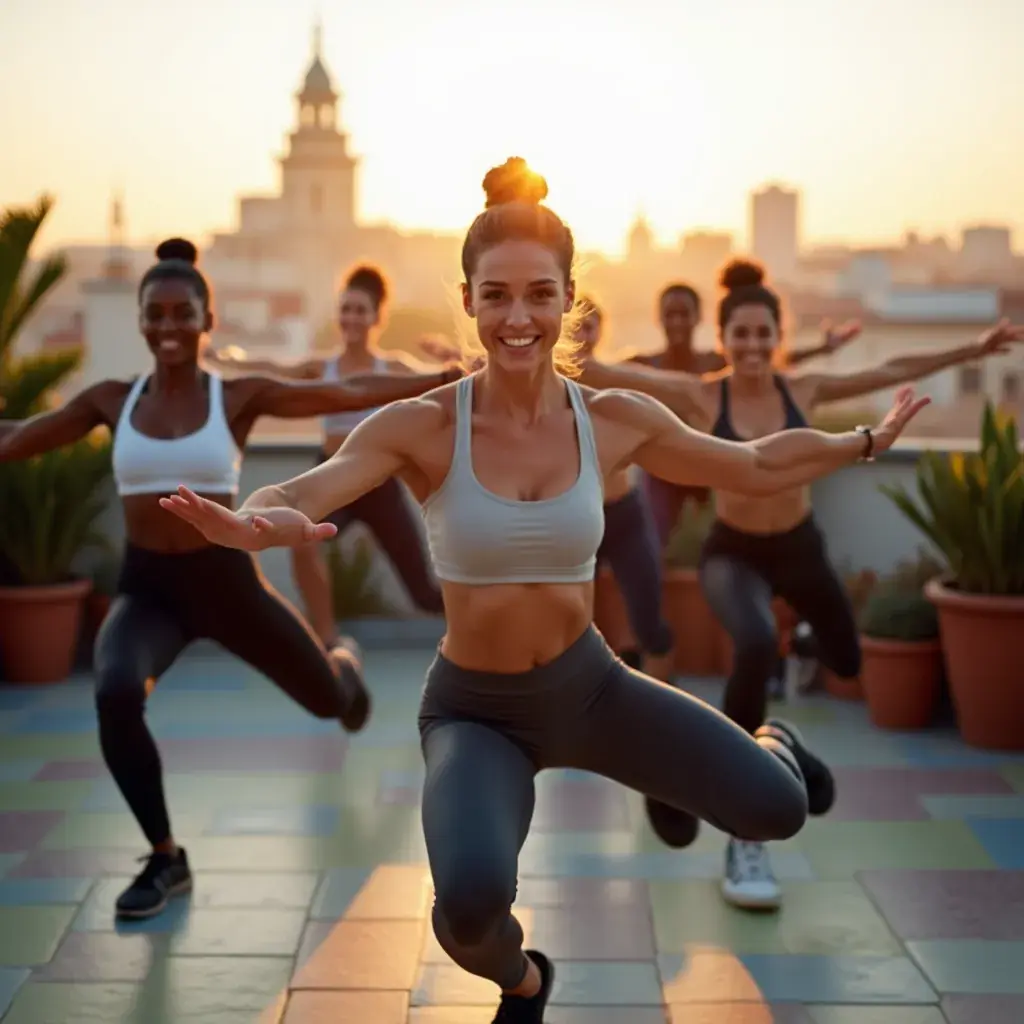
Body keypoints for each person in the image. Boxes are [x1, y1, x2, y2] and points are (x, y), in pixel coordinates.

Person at [161, 158, 928, 1024]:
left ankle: (776, 740)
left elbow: (751, 464)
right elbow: (305, 488)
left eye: (538, 295)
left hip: (593, 688)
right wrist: (256, 523)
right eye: (496, 296)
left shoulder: (614, 418)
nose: (517, 318)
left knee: (778, 810)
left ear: (569, 301)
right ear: (468, 302)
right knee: (467, 911)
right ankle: (526, 984)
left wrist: (864, 440)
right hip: (475, 712)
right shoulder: (422, 425)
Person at [0, 238, 461, 921]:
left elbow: (344, 390)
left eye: (183, 314)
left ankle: (344, 667)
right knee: (117, 688)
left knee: (331, 702)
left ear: (207, 320)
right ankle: (164, 856)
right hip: (148, 588)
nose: (168, 327)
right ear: (140, 321)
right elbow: (18, 436)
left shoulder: (238, 396)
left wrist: (441, 380)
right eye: (154, 314)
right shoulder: (110, 399)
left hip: (229, 585)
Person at [580, 257, 1024, 910]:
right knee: (755, 642)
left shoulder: (805, 388)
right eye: (742, 335)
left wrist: (974, 348)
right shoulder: (708, 394)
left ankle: (796, 684)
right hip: (732, 553)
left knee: (847, 659)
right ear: (724, 338)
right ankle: (740, 797)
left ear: (778, 336)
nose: (753, 347)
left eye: (765, 334)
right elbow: (608, 372)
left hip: (800, 551)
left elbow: (889, 371)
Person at [205, 264, 445, 645]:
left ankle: (491, 629)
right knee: (301, 541)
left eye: (360, 310)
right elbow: (272, 370)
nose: (351, 318)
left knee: (425, 594)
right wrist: (229, 358)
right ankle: (328, 638)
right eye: (345, 309)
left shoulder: (392, 367)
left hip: (379, 486)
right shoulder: (323, 367)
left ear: (376, 317)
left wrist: (454, 362)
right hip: (332, 477)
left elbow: (441, 382)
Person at [631, 282, 863, 547]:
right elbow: (604, 374)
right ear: (658, 317)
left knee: (714, 534)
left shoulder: (714, 363)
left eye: (684, 313)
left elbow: (763, 357)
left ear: (697, 318)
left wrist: (821, 349)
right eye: (670, 314)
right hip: (665, 473)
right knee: (652, 538)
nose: (677, 322)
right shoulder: (644, 364)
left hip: (708, 468)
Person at [575, 296, 673, 679]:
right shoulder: (544, 386)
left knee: (649, 618)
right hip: (577, 518)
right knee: (576, 623)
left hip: (624, 513)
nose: (583, 333)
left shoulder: (620, 376)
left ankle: (665, 700)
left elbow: (676, 381)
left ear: (602, 330)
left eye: (590, 324)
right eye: (576, 325)